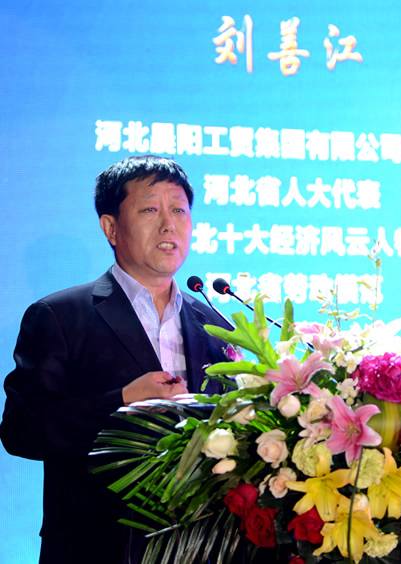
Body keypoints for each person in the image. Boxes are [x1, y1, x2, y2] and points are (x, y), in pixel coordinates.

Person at [0, 155, 230, 564]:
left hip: (204, 546)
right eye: (150, 209)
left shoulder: (214, 324)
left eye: (179, 210)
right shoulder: (59, 316)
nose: (169, 224)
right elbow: (22, 430)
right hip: (98, 546)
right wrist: (122, 401)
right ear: (110, 228)